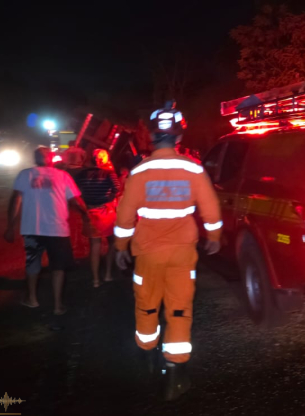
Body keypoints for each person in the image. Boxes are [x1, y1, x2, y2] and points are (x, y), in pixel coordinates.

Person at [113, 101, 222, 400]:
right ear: (179, 137)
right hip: (182, 252)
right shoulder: (193, 168)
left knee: (147, 304)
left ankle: (147, 357)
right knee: (179, 309)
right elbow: (211, 208)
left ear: (151, 136)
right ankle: (174, 376)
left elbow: (124, 216)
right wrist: (214, 236)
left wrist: (120, 247)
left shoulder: (139, 171)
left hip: (147, 251)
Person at [4, 147, 92, 315]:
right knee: (58, 267)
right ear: (52, 158)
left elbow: (16, 200)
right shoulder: (62, 175)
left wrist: (10, 226)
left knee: (33, 263)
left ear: (35, 158)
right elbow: (76, 200)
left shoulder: (25, 174)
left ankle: (32, 299)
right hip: (57, 229)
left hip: (32, 229)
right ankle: (58, 306)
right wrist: (86, 215)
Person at [73, 149, 121, 287]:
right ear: (104, 159)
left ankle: (95, 280)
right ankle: (108, 274)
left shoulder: (81, 174)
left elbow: (75, 192)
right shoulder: (108, 173)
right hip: (106, 211)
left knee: (94, 245)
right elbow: (117, 188)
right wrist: (110, 197)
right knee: (112, 241)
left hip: (89, 211)